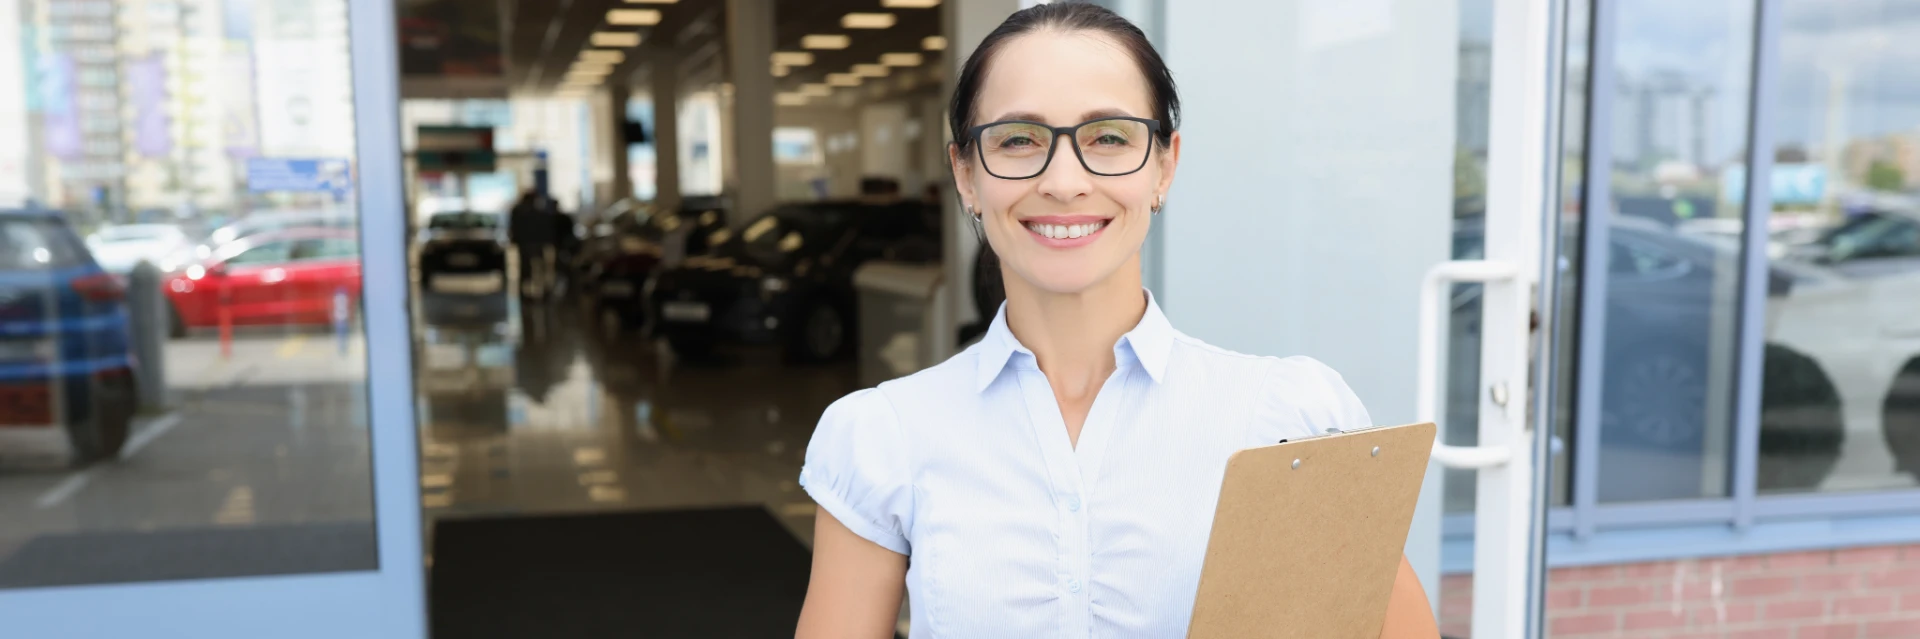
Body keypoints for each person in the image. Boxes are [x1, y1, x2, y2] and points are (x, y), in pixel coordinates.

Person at [794, 4, 1439, 638]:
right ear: (965, 174)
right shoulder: (886, 436)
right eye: (1019, 140)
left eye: (1108, 137)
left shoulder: (1289, 419)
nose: (1065, 181)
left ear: (1164, 165)